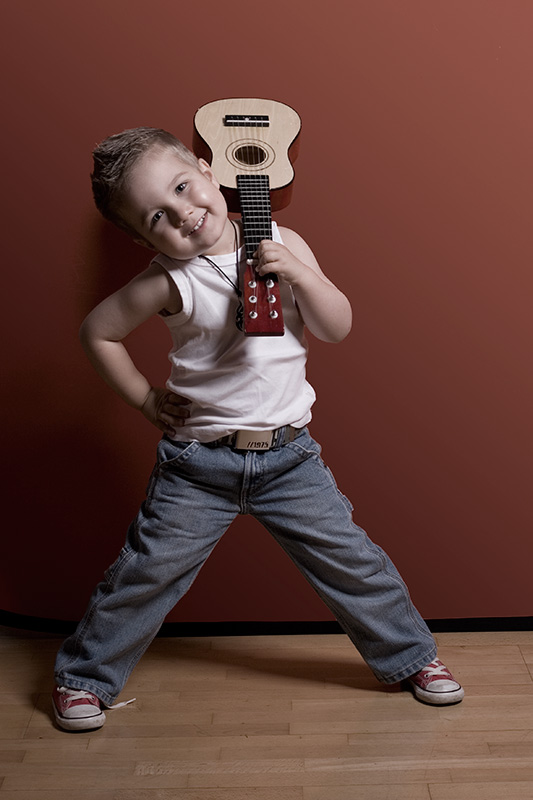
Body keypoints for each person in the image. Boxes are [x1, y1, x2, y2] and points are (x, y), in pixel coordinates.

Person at [52, 126, 464, 732]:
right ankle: (84, 678)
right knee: (145, 572)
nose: (185, 215)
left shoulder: (282, 239)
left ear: (207, 167)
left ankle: (411, 658)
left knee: (354, 563)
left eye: (184, 188)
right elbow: (98, 332)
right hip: (198, 466)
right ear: (144, 237)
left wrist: (301, 273)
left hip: (289, 459)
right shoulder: (169, 280)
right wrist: (145, 400)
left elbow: (337, 327)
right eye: (159, 217)